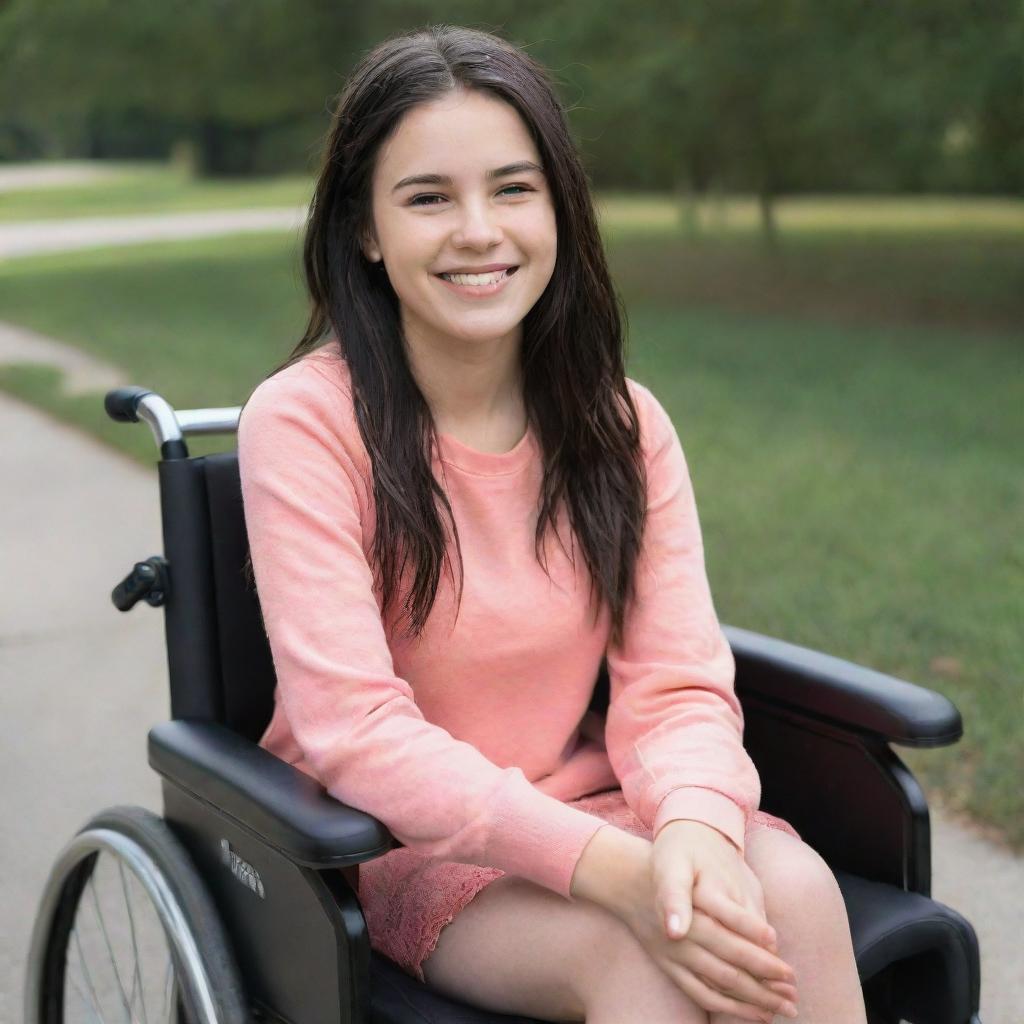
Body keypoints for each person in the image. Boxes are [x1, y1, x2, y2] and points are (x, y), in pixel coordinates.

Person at [237, 23, 868, 1024]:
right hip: (417, 847)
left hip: (613, 810)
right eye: (428, 197)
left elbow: (675, 685)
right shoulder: (307, 421)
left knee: (793, 895)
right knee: (644, 969)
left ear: (559, 211)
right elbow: (355, 731)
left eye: (513, 188)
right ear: (365, 227)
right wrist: (608, 869)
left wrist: (698, 828)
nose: (478, 230)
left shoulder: (620, 422)